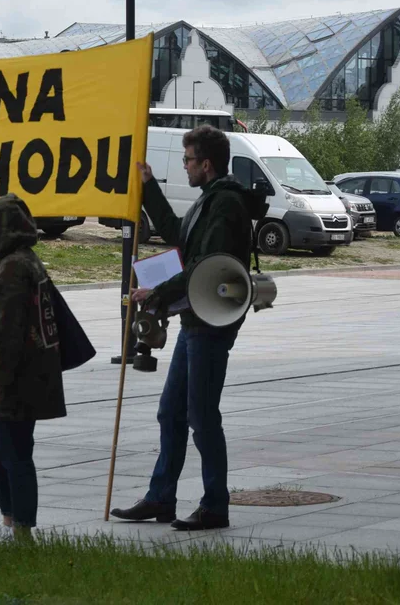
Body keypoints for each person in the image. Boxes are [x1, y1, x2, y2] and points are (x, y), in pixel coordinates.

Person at [111, 125, 254, 531]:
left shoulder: (225, 204)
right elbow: (179, 238)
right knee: (172, 411)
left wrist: (156, 292)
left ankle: (215, 506)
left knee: (201, 415)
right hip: (197, 319)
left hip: (209, 322)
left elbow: (202, 266)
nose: (185, 166)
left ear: (205, 164)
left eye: (188, 159)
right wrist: (149, 186)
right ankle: (161, 498)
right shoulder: (209, 201)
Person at [0, 194, 66, 543]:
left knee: (12, 450)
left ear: (5, 229)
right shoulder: (17, 261)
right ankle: (11, 518)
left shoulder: (14, 267)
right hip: (16, 373)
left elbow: (10, 329)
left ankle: (20, 527)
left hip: (15, 376)